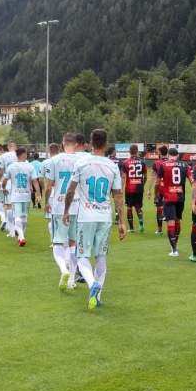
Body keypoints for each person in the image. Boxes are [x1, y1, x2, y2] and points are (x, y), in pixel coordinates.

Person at [63, 129, 127, 310]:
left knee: (82, 255)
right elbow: (118, 196)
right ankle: (97, 297)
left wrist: (66, 210)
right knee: (101, 257)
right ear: (106, 144)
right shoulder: (112, 166)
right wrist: (121, 221)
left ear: (90, 143)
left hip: (86, 216)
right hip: (105, 216)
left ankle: (92, 284)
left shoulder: (82, 163)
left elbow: (70, 190)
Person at [44, 135, 80, 291]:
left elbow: (48, 186)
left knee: (58, 242)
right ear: (77, 145)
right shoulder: (81, 160)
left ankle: (63, 270)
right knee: (73, 243)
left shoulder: (54, 160)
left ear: (63, 144)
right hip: (77, 206)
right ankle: (72, 280)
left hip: (59, 205)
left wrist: (46, 202)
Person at [151, 147, 190, 256]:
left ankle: (174, 250)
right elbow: (192, 180)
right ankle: (175, 244)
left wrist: (156, 194)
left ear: (168, 155)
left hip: (169, 197)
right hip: (181, 197)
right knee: (177, 220)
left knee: (170, 222)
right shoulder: (185, 165)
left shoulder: (163, 165)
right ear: (178, 155)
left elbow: (157, 182)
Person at [2, 147, 40, 247]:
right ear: (25, 155)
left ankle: (21, 237)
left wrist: (4, 188)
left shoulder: (11, 167)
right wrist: (39, 194)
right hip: (26, 195)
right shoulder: (30, 167)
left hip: (16, 195)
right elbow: (35, 181)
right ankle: (20, 236)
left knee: (17, 216)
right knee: (24, 217)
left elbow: (4, 180)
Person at [120, 144, 147, 233]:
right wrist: (143, 184)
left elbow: (123, 177)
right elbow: (145, 176)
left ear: (129, 151)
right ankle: (140, 220)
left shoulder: (126, 162)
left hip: (129, 188)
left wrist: (121, 188)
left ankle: (131, 228)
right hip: (139, 187)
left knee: (129, 207)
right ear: (137, 151)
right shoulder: (142, 162)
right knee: (138, 207)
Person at [149, 145, 169, 234]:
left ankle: (160, 229)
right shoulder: (170, 162)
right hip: (170, 189)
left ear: (160, 153)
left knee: (159, 209)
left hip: (160, 189)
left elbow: (153, 177)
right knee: (171, 209)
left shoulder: (156, 163)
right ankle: (171, 229)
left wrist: (149, 189)